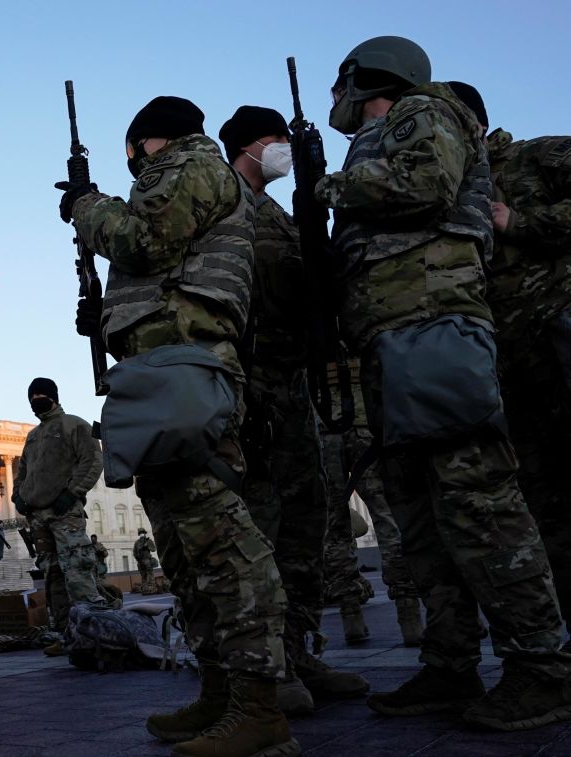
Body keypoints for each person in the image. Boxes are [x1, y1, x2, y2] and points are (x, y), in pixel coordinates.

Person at [316, 36, 571, 730]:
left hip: (434, 330)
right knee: (422, 518)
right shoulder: (382, 134)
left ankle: (544, 667)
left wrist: (334, 186)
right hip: (394, 342)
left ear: (368, 77)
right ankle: (449, 663)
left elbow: (424, 184)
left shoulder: (425, 112)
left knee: (480, 503)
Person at [59, 95, 296, 757]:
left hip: (187, 369)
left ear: (145, 144)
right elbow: (161, 270)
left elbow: (144, 239)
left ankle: (260, 706)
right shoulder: (187, 177)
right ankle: (221, 691)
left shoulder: (191, 163)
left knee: (219, 538)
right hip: (159, 371)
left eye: (132, 157)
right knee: (185, 552)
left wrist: (87, 204)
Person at [219, 105, 369, 714]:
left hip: (292, 383)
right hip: (249, 384)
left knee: (306, 523)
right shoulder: (223, 204)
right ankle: (262, 668)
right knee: (260, 526)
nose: (282, 148)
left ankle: (301, 649)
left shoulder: (278, 211)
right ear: (249, 146)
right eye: (275, 140)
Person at [449, 80, 571, 632]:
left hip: (558, 334)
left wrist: (519, 223)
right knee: (543, 505)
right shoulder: (449, 190)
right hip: (508, 367)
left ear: (472, 124)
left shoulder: (535, 156)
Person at [320, 359, 424, 648]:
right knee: (387, 517)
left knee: (334, 526)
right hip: (366, 421)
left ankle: (351, 615)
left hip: (323, 426)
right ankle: (409, 616)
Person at [12, 377, 104, 654]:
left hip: (65, 512)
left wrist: (73, 492)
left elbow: (93, 460)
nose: (35, 400)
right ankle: (66, 633)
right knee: (52, 575)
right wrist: (19, 497)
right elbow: (24, 472)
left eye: (40, 394)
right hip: (38, 517)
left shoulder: (74, 425)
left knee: (77, 570)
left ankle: (93, 632)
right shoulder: (34, 435)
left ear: (53, 396)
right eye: (31, 396)